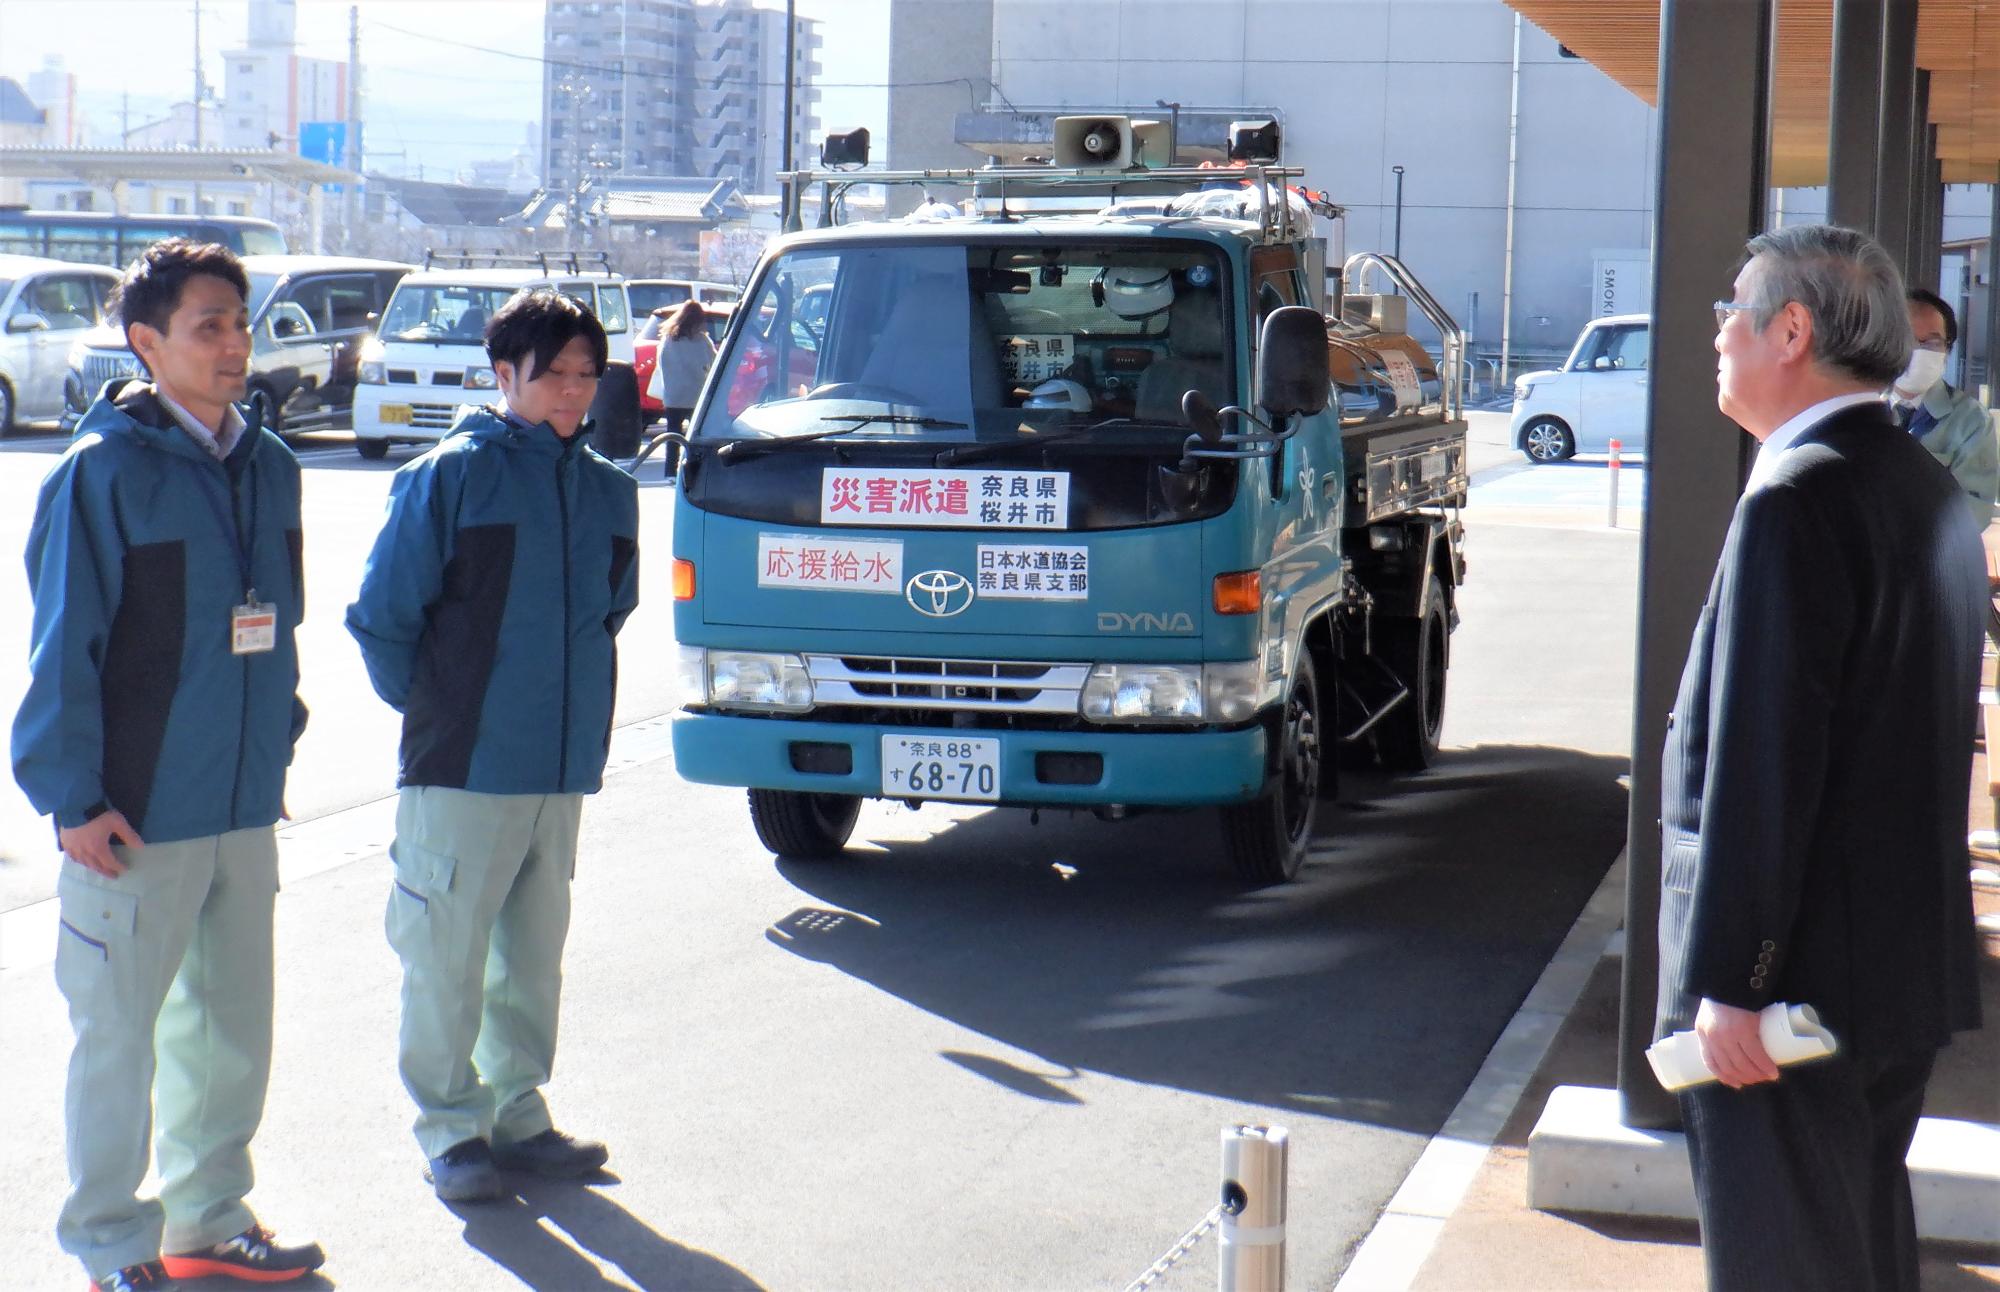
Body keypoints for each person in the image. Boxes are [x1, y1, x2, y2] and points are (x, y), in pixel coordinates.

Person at [1657, 224, 1986, 1291]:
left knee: (1785, 1262)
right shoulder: (1917, 484)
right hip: (1888, 970)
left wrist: (1732, 982)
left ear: (1789, 329)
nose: (1717, 331)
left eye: (1732, 308)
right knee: (1852, 1249)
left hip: (1790, 990)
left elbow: (1763, 759)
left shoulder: (1794, 496)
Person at [11, 239, 324, 1290]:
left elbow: (280, 624)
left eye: (241, 321)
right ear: (146, 342)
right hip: (132, 812)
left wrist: (275, 735)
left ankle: (210, 1218)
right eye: (209, 325)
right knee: (118, 1045)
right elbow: (65, 650)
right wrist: (73, 799)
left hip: (237, 801)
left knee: (233, 1030)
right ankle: (111, 1244)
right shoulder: (100, 473)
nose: (235, 342)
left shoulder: (270, 465)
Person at [346, 287, 640, 1203]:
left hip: (557, 767)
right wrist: (444, 711)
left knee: (531, 950)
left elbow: (610, 612)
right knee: (445, 954)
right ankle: (449, 1128)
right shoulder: (451, 475)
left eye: (586, 373)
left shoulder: (608, 490)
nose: (571, 391)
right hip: (464, 764)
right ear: (503, 373)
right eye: (551, 373)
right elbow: (382, 618)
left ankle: (517, 1111)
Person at [1889, 286, 1999, 529]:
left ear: (1948, 349)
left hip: (1929, 559)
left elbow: (1975, 513)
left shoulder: (1972, 421)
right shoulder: (1860, 407)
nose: (1916, 352)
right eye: (1906, 340)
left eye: (1931, 343)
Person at [645, 298, 716, 472]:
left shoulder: (668, 339)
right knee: (695, 438)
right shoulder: (702, 341)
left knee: (672, 437)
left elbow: (661, 364)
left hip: (673, 396)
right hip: (695, 396)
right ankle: (693, 470)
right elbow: (713, 363)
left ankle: (670, 470)